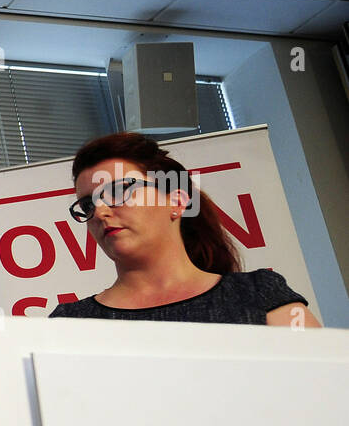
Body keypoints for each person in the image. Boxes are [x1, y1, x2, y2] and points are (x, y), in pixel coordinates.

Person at [49, 132, 321, 327]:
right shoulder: (71, 322)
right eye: (87, 205)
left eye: (119, 191)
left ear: (177, 201)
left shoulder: (258, 293)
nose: (100, 212)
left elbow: (328, 395)